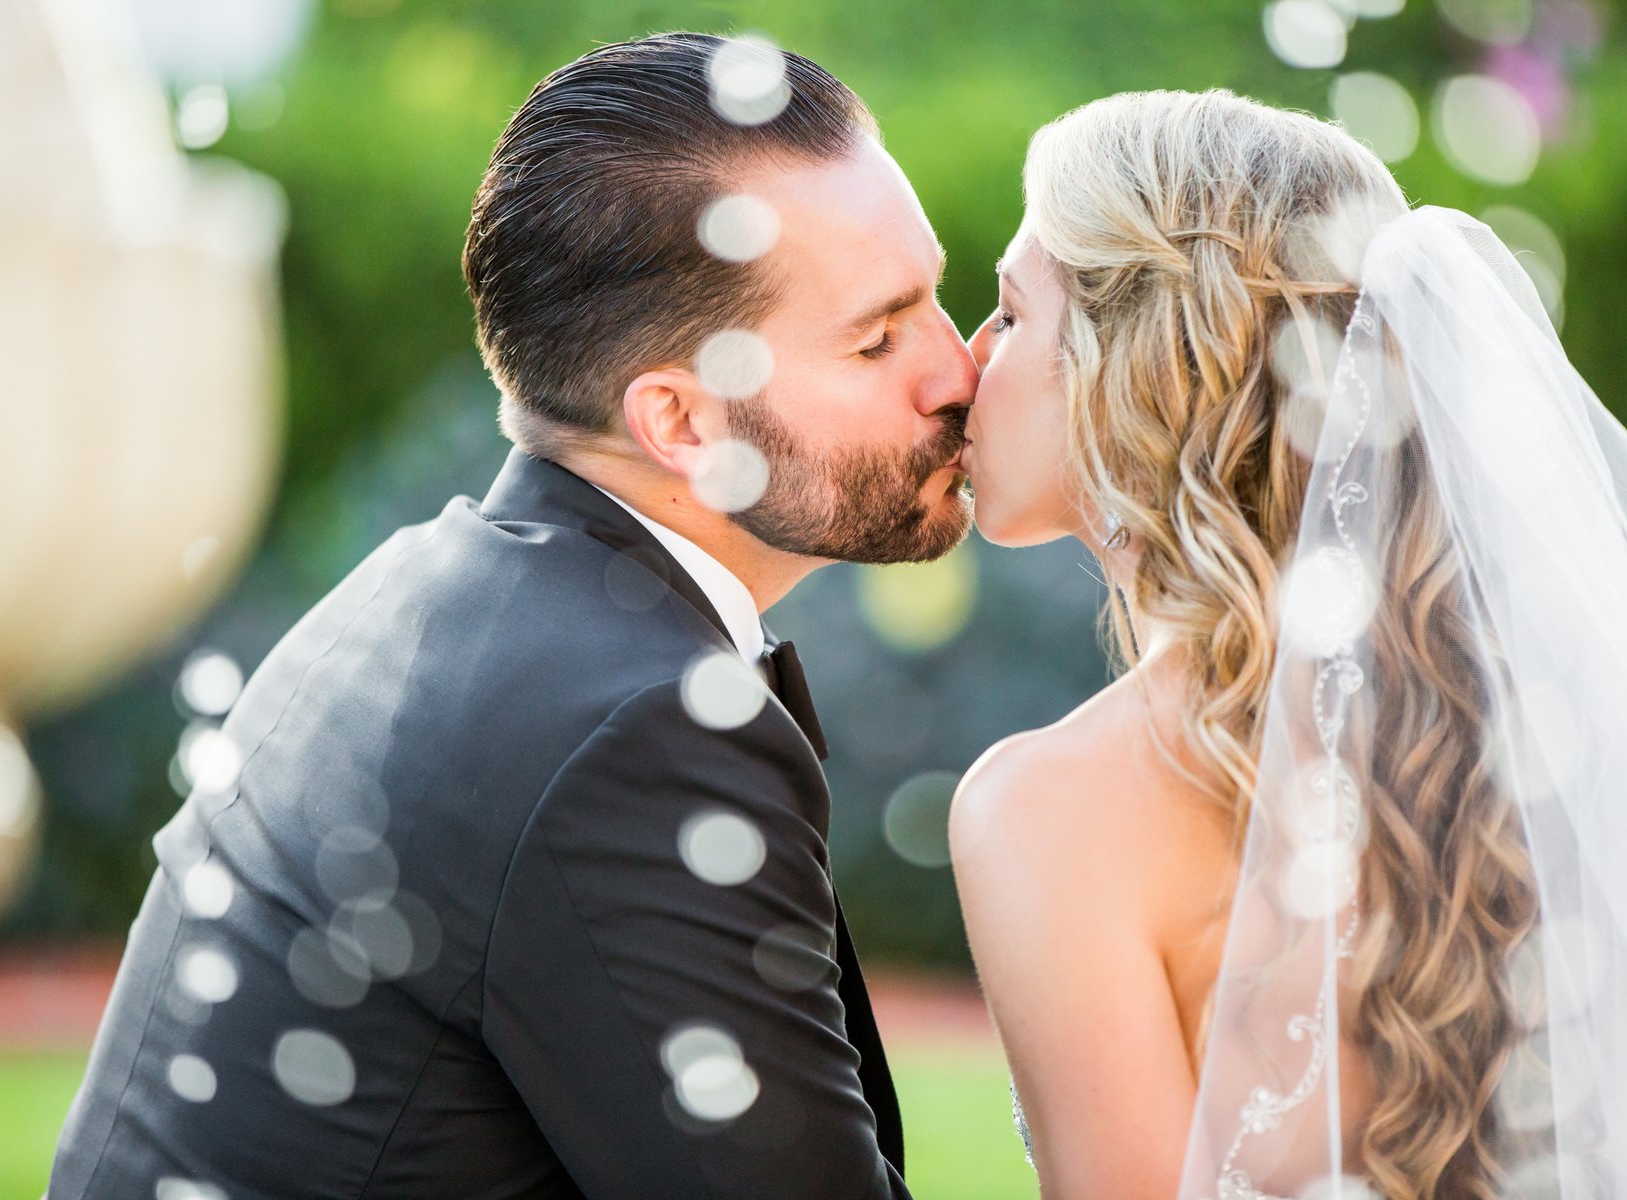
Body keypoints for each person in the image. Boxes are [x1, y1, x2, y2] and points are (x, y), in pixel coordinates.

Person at [48, 33, 976, 1200]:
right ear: (682, 424)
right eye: (878, 337)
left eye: (937, 296)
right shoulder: (636, 731)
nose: (958, 371)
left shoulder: (419, 595)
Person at [952, 88, 1627, 1198]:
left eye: (1008, 314)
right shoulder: (1543, 745)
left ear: (1140, 361)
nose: (966, 357)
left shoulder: (1047, 809)